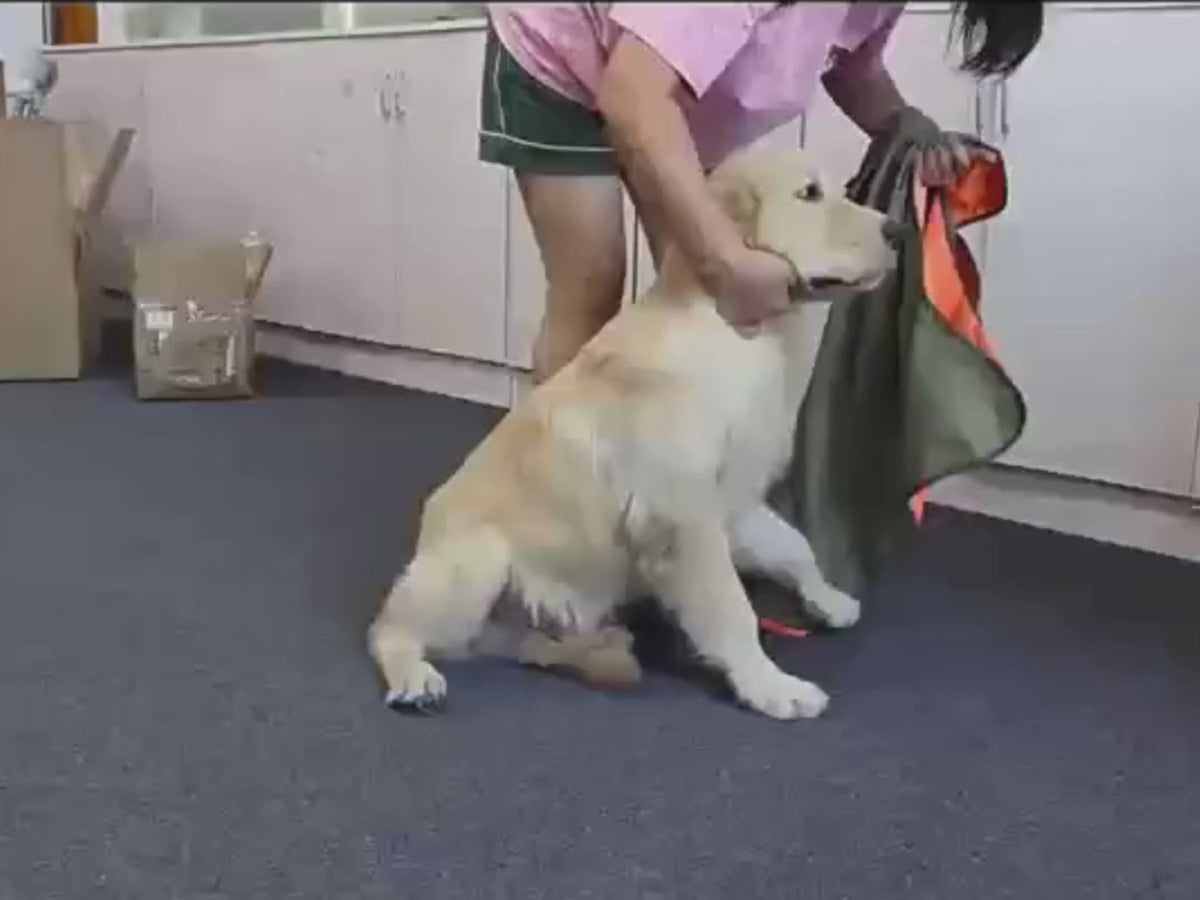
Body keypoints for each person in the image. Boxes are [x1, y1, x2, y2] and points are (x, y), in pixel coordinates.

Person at [480, 2, 1044, 383]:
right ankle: (553, 495)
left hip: (665, 81)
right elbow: (634, 96)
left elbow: (850, 62)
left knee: (694, 299)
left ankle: (672, 480)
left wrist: (907, 126)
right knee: (592, 286)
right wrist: (725, 261)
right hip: (560, 50)